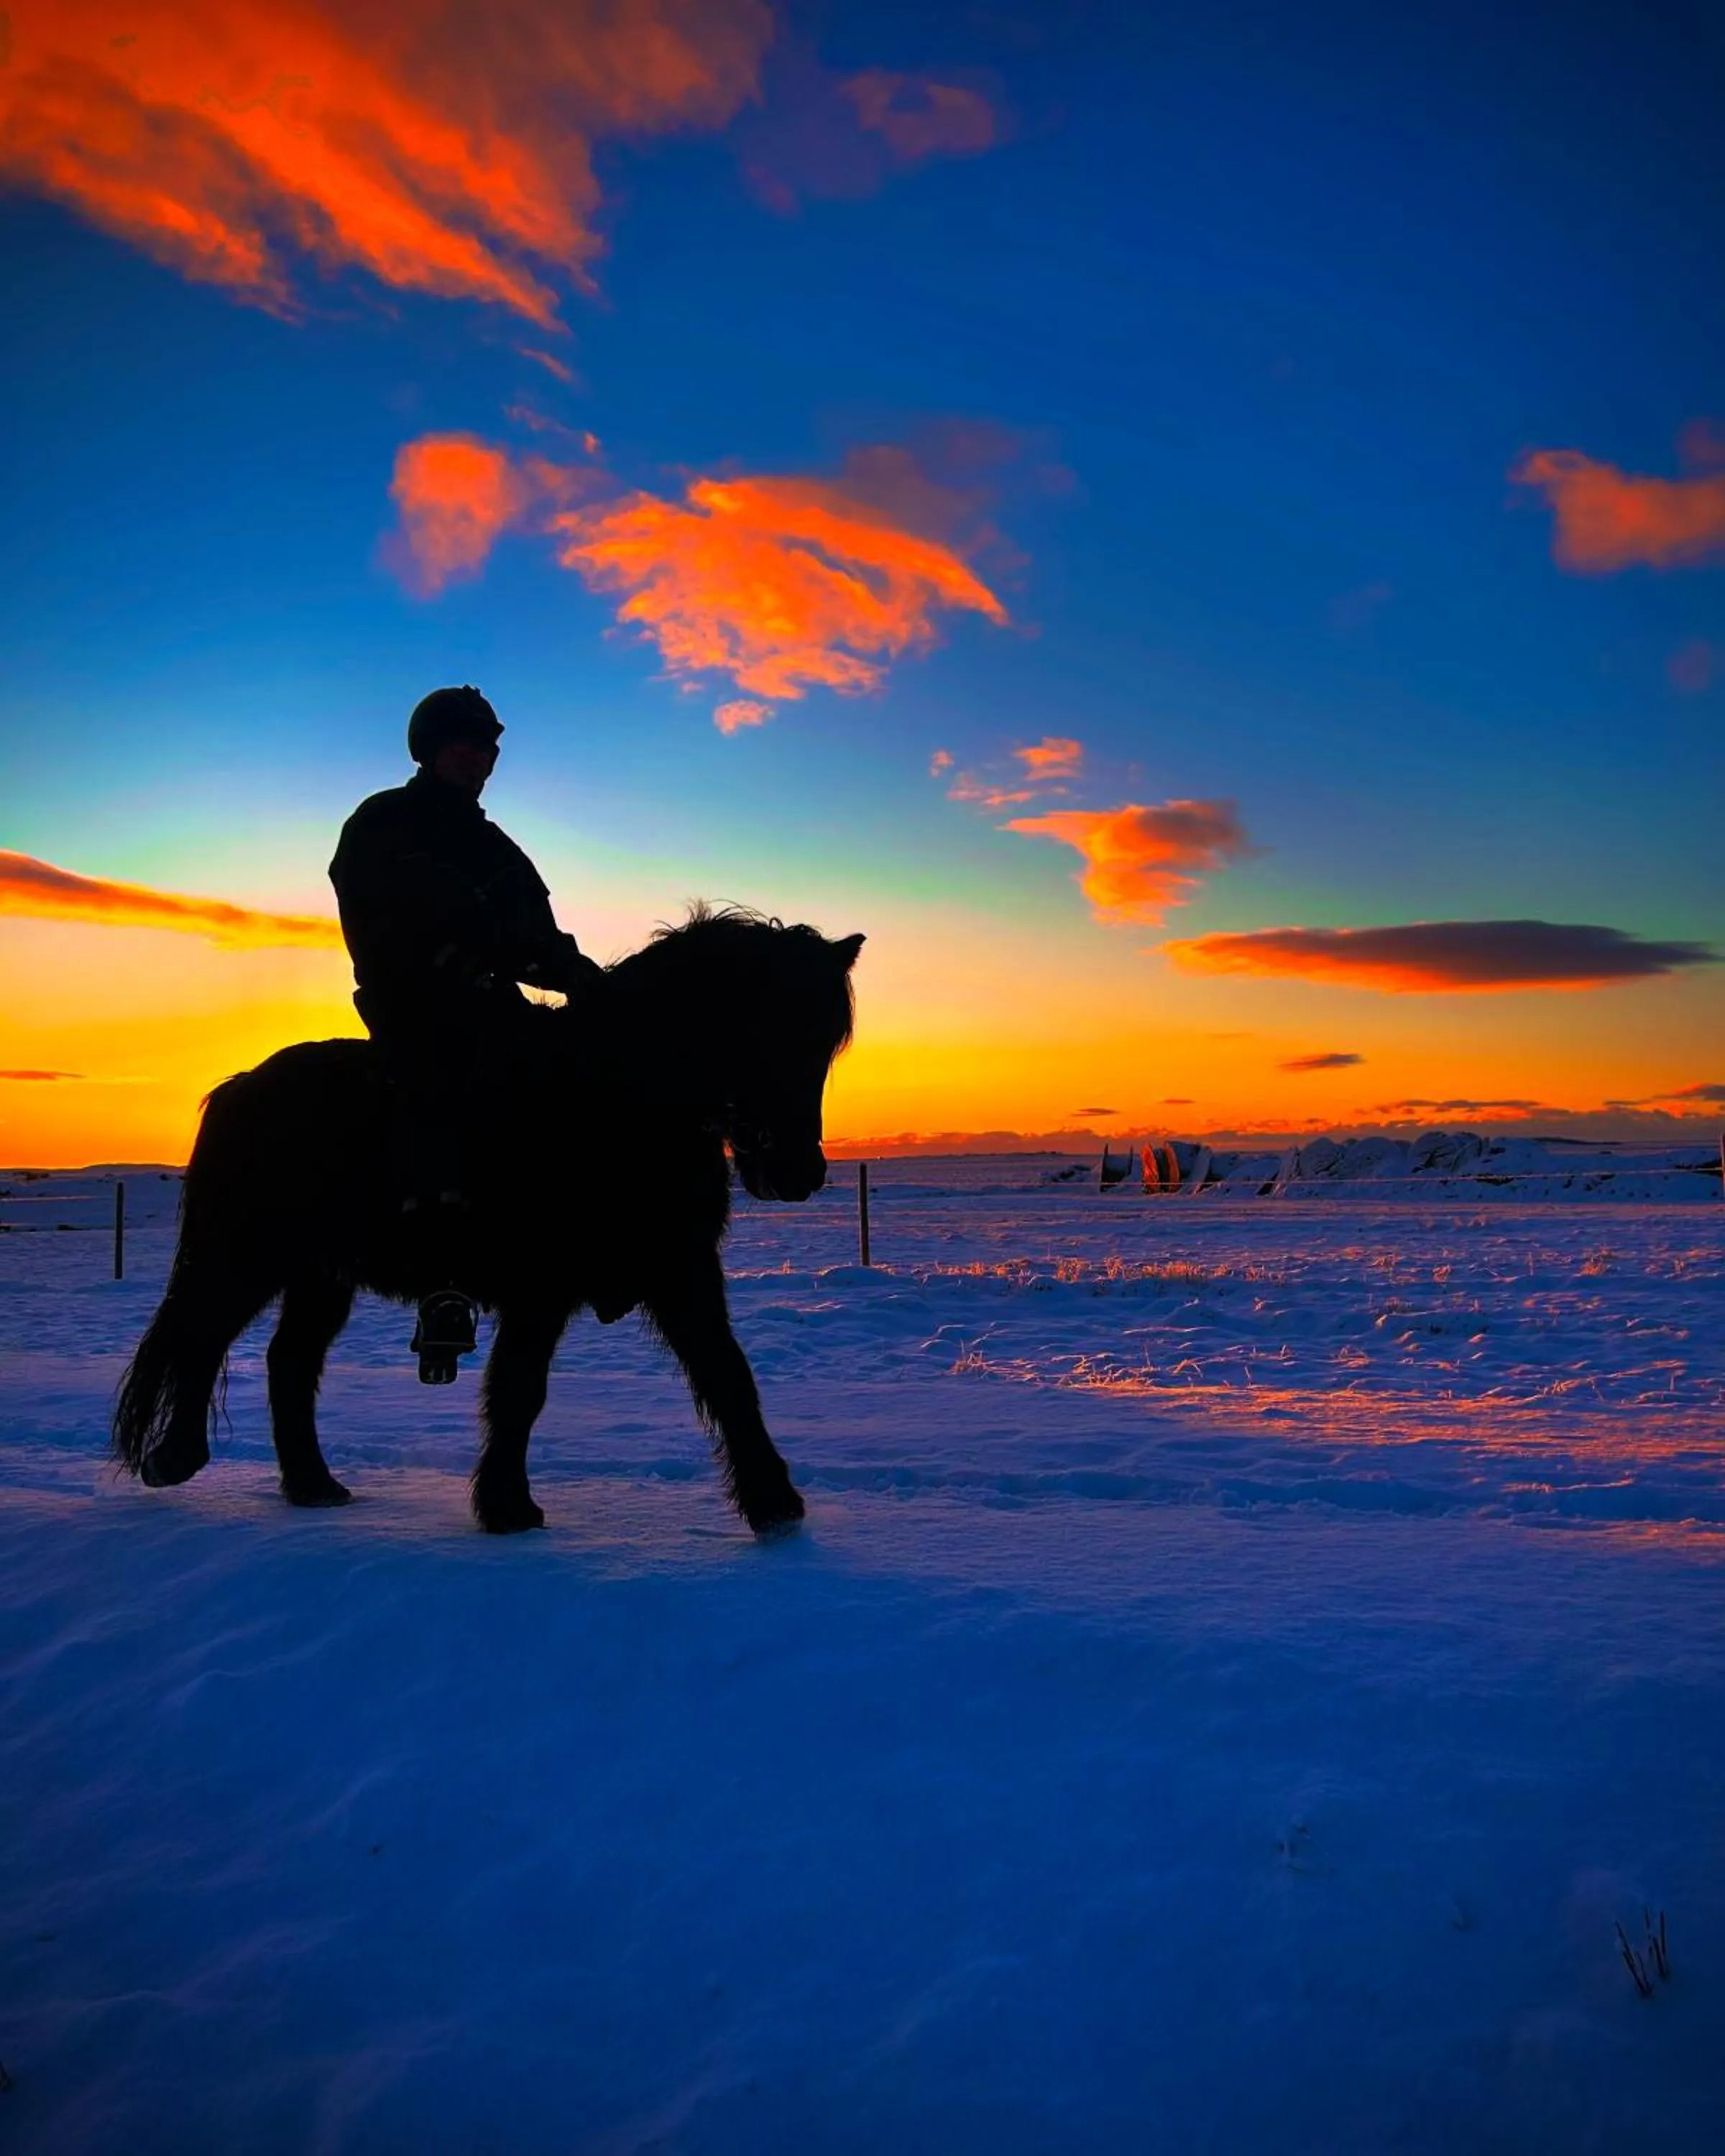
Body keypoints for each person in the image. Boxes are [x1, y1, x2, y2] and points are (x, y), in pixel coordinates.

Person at [329, 685, 607, 1382]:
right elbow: (368, 912)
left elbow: (540, 940)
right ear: (429, 748)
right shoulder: (383, 821)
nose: (474, 756)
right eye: (460, 742)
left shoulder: (498, 849)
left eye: (484, 746)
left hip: (494, 1005)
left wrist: (595, 984)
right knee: (448, 1090)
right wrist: (439, 964)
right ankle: (442, 1283)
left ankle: (593, 1246)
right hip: (412, 1006)